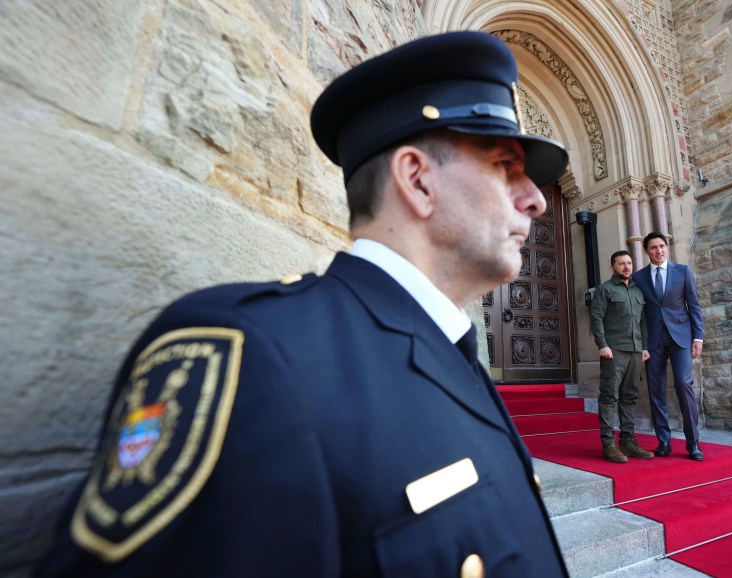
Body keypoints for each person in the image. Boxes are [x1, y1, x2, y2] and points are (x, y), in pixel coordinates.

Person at [36, 31, 570, 578]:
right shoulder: (255, 355)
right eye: (506, 165)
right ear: (416, 179)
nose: (534, 201)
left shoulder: (457, 359)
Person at [632, 232, 705, 461]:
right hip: (653, 340)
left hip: (681, 337)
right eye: (653, 247)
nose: (659, 251)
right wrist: (641, 344)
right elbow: (639, 314)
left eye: (662, 246)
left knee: (684, 384)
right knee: (656, 390)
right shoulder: (639, 278)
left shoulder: (683, 271)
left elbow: (694, 305)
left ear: (667, 247)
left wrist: (698, 337)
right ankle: (663, 441)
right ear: (646, 251)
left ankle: (693, 443)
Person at [590, 250, 654, 463]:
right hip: (614, 351)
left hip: (636, 351)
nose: (626, 267)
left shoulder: (637, 292)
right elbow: (596, 318)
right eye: (621, 264)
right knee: (609, 397)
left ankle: (628, 442)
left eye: (629, 263)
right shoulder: (605, 290)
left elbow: (643, 322)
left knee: (629, 397)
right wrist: (602, 345)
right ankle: (608, 444)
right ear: (612, 268)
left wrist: (644, 347)